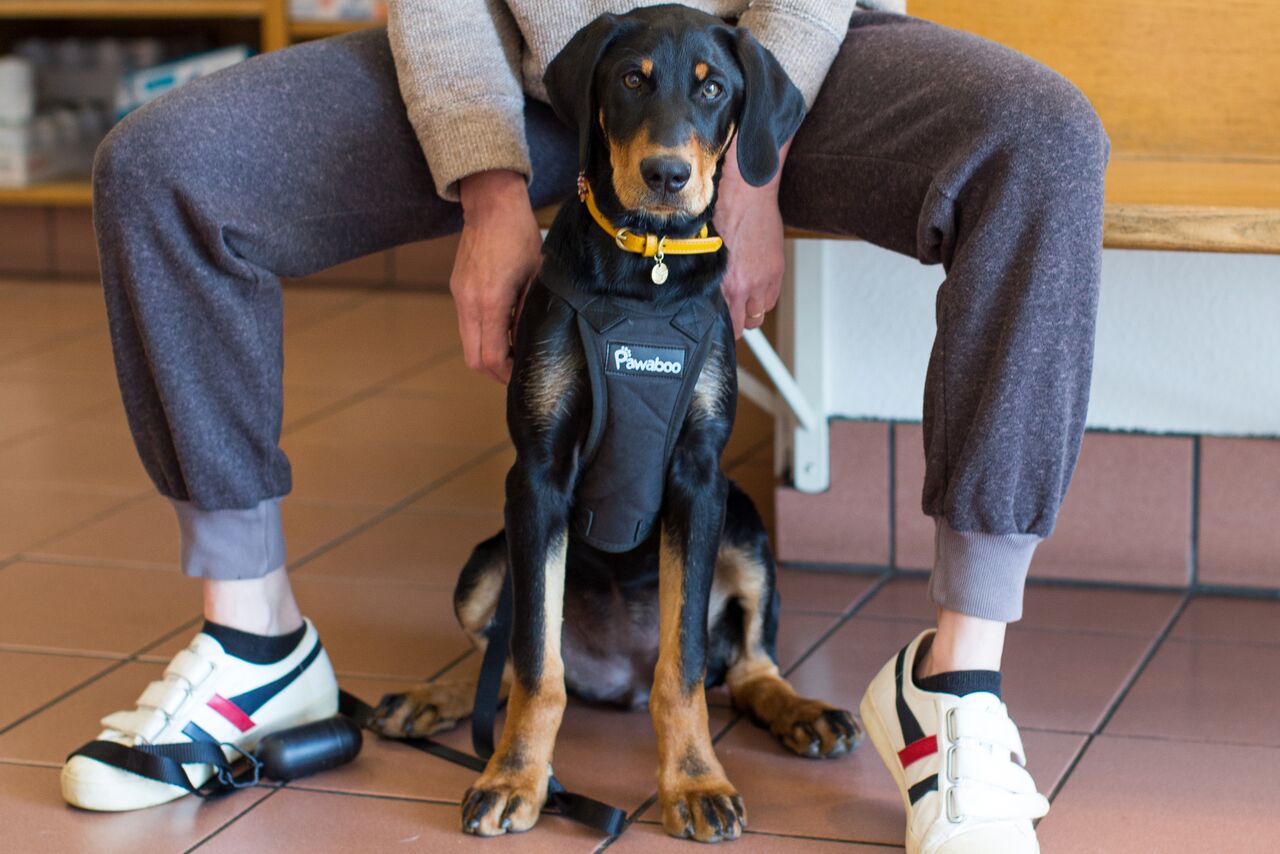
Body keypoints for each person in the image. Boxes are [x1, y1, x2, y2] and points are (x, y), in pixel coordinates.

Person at [63, 2, 1106, 851]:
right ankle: (255, 644)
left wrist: (755, 161)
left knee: (1043, 140)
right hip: (512, 56)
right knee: (166, 164)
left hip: (785, 57)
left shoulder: (752, 106)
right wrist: (487, 182)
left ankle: (952, 678)